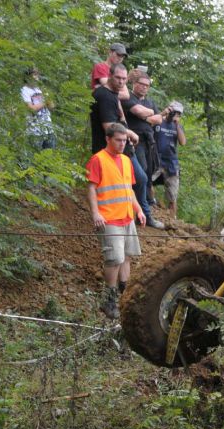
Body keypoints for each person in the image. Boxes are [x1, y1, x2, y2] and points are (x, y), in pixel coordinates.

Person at [90, 63, 163, 228]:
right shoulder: (105, 96)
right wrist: (130, 133)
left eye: (124, 79)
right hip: (111, 149)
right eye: (118, 78)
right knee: (139, 178)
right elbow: (109, 127)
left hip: (122, 147)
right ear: (109, 75)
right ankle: (141, 215)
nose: (121, 82)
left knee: (137, 179)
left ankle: (135, 214)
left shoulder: (113, 94)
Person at [85, 123, 146, 319]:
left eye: (124, 140)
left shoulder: (127, 160)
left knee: (127, 256)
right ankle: (109, 300)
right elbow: (91, 188)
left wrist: (139, 209)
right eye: (118, 140)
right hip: (109, 218)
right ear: (108, 139)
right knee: (114, 259)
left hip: (127, 216)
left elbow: (129, 189)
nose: (122, 144)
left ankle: (124, 295)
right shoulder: (98, 159)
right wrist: (96, 213)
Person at [122, 69, 165, 221]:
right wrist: (149, 116)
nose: (144, 87)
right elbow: (139, 111)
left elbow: (159, 119)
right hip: (135, 141)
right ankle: (140, 210)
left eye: (147, 85)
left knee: (148, 173)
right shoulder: (128, 97)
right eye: (141, 84)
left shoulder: (150, 102)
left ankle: (143, 208)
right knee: (141, 173)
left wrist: (148, 115)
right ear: (134, 83)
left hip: (149, 142)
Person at [152, 101, 186, 220]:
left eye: (178, 113)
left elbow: (183, 142)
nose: (175, 114)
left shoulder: (178, 126)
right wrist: (163, 114)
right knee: (147, 182)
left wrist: (177, 125)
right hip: (155, 159)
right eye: (173, 111)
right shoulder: (158, 120)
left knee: (172, 195)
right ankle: (152, 208)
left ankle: (172, 220)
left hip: (171, 163)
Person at [20, 68, 56, 150]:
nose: (37, 77)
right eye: (34, 74)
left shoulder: (40, 89)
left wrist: (49, 101)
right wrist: (45, 102)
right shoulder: (24, 90)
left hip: (48, 130)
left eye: (38, 74)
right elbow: (31, 108)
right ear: (28, 76)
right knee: (35, 159)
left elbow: (52, 107)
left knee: (50, 158)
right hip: (34, 131)